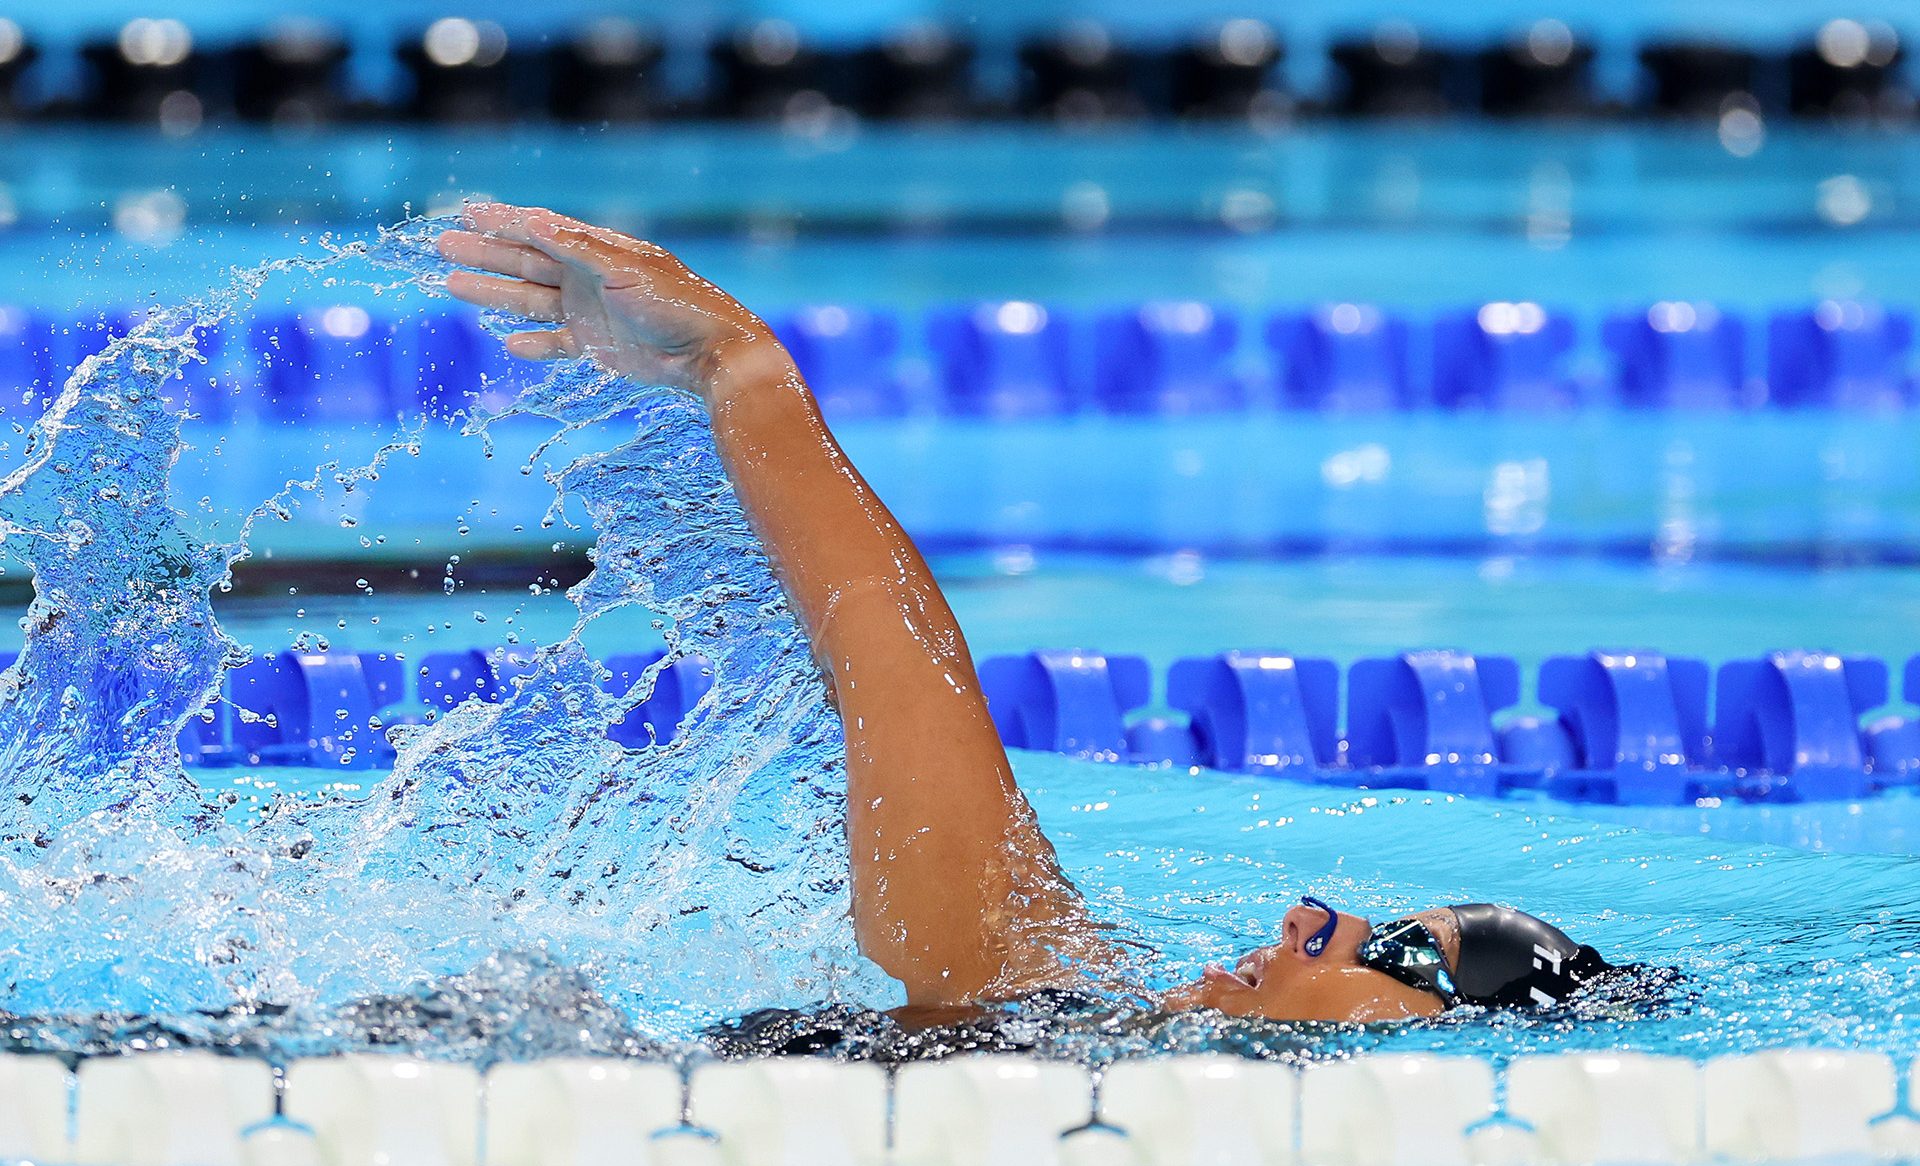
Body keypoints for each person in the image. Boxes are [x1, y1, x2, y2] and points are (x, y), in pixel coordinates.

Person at [437, 203, 1621, 1026]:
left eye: (1403, 955)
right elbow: (898, 679)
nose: (1320, 912)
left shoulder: (1072, 1046)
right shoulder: (1071, 1010)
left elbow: (900, 682)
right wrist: (744, 374)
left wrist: (747, 370)